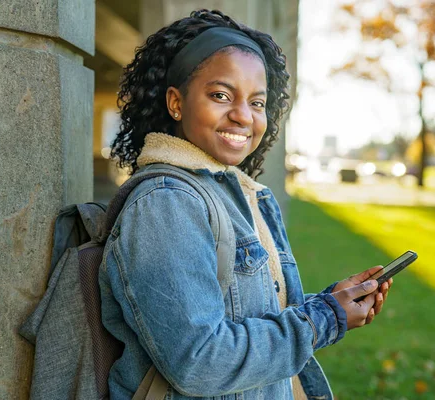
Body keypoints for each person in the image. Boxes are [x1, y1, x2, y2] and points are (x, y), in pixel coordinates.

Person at [100, 9, 392, 400]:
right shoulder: (167, 204)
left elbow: (249, 317)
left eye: (257, 103)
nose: (243, 116)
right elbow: (199, 361)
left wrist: (330, 302)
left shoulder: (238, 194)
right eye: (221, 95)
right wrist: (326, 319)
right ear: (175, 102)